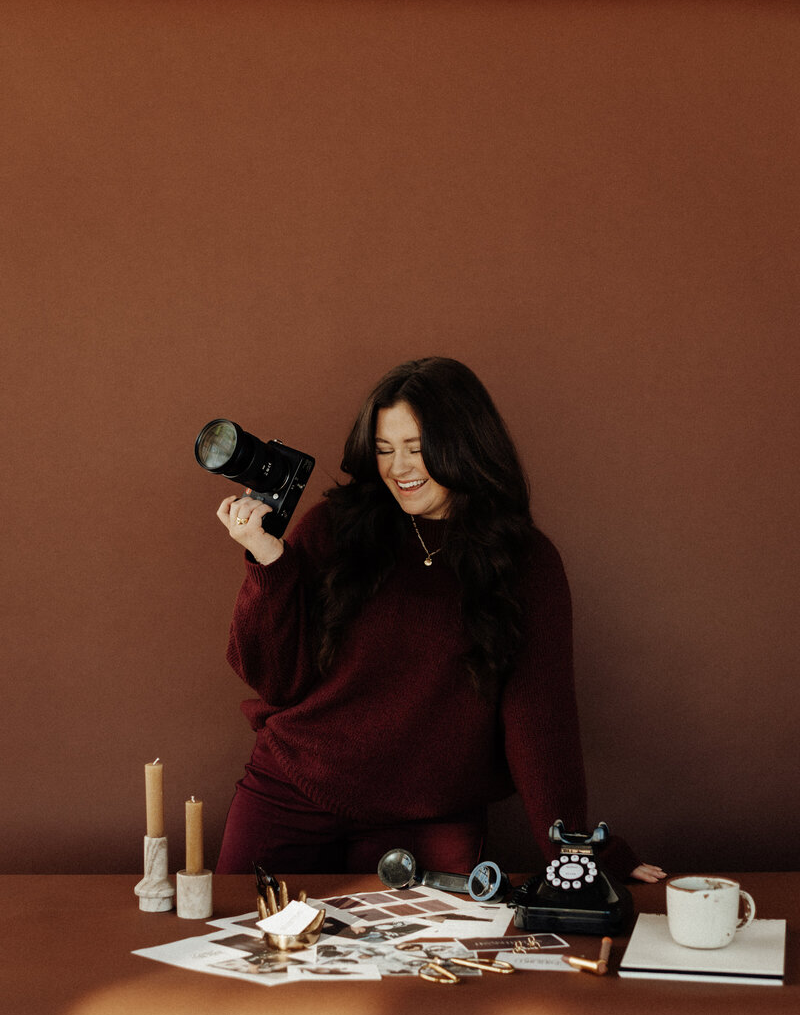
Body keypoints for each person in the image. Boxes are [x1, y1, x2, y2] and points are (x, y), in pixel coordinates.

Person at [214, 357, 665, 885]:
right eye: (384, 451)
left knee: (417, 964)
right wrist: (270, 565)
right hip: (296, 789)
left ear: (464, 444)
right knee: (236, 944)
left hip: (430, 817)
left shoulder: (525, 563)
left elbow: (540, 723)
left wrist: (575, 855)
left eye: (416, 448)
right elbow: (273, 679)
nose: (399, 468)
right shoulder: (334, 529)